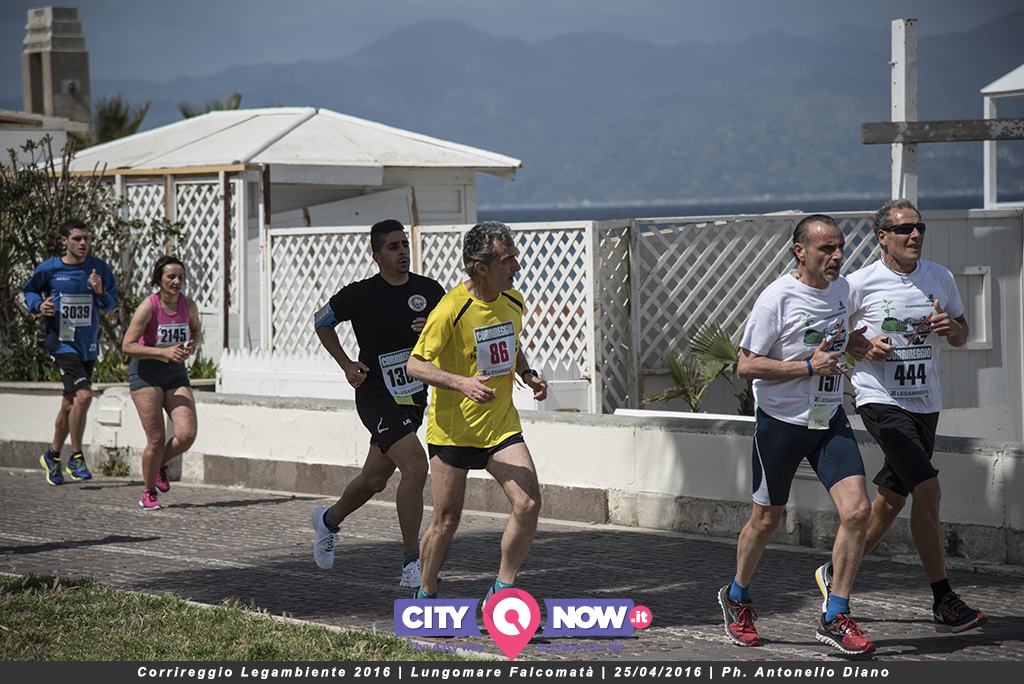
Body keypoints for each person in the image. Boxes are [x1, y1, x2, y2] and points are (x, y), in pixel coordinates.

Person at [822, 198, 986, 634]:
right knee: (927, 489)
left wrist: (952, 329)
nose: (914, 235)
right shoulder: (858, 284)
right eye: (904, 229)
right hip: (880, 399)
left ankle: (833, 573)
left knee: (892, 500)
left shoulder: (939, 277)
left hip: (925, 402)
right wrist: (862, 345)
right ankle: (943, 600)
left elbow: (962, 334)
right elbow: (835, 336)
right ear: (882, 237)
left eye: (919, 227)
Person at [718, 214, 876, 655]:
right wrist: (808, 367)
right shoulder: (777, 298)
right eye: (826, 249)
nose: (837, 256)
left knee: (858, 511)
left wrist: (855, 344)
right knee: (766, 520)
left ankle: (835, 613)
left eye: (840, 247)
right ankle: (737, 596)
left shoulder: (843, 290)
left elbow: (837, 338)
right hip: (781, 425)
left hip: (828, 418)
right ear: (800, 251)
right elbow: (746, 365)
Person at [406, 220, 548, 602]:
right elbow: (415, 365)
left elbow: (511, 345)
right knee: (446, 520)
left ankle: (501, 590)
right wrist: (461, 383)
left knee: (528, 503)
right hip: (453, 432)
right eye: (507, 260)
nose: (516, 267)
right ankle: (426, 593)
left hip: (500, 427)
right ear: (481, 267)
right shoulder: (450, 308)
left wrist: (527, 374)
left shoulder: (513, 300)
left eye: (515, 257)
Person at [309, 219, 445, 587]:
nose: (402, 252)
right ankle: (411, 563)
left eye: (404, 244)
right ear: (376, 256)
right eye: (393, 246)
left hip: (412, 395)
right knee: (415, 466)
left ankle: (328, 520)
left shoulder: (429, 290)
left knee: (374, 479)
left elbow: (453, 331)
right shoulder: (361, 294)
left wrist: (432, 328)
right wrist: (346, 364)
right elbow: (321, 321)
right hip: (375, 394)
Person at [21, 219, 117, 486]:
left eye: (86, 238)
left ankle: (52, 455)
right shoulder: (50, 268)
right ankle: (76, 457)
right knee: (84, 396)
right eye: (77, 238)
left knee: (69, 403)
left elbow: (111, 304)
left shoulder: (98, 268)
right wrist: (39, 305)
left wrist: (100, 292)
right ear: (64, 241)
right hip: (61, 343)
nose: (83, 243)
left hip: (87, 346)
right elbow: (29, 291)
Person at [121, 256, 201, 511]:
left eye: (180, 277)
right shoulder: (149, 307)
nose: (177, 282)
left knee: (186, 434)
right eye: (171, 277)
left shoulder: (188, 305)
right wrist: (163, 352)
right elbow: (127, 346)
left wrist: (190, 346)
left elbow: (195, 330)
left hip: (175, 374)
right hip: (146, 374)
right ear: (160, 279)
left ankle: (159, 466)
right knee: (156, 439)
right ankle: (148, 492)